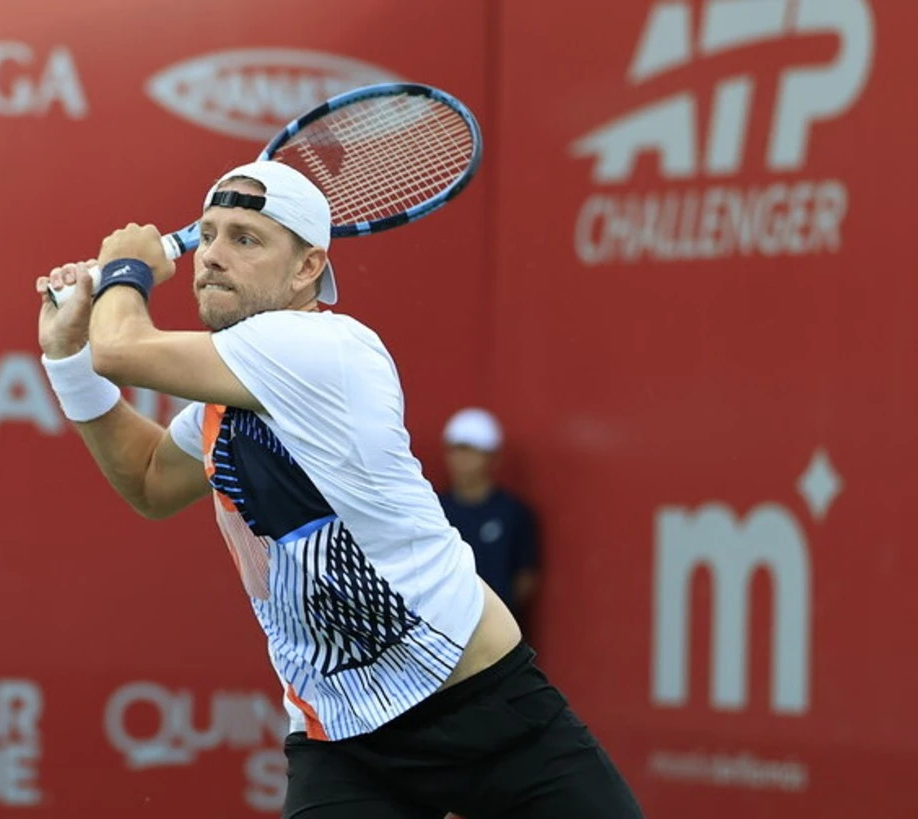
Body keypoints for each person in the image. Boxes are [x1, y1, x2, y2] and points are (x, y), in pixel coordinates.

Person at [35, 160, 643, 818]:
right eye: (207, 234)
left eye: (246, 238)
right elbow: (150, 479)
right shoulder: (233, 391)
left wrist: (126, 266)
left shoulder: (317, 348)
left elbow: (122, 346)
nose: (211, 256)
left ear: (306, 270)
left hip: (487, 711)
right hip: (343, 743)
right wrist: (67, 360)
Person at [439, 409, 540, 622]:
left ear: (493, 458)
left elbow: (525, 579)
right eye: (456, 450)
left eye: (471, 451)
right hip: (443, 628)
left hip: (496, 629)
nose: (462, 459)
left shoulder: (513, 513)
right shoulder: (434, 511)